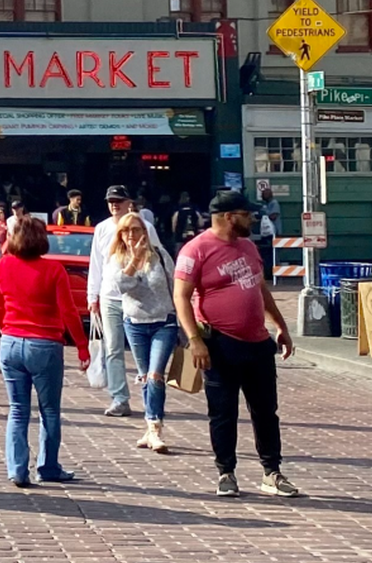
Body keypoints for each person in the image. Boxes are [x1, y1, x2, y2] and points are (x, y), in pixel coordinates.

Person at [174, 190, 298, 498]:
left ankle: (272, 472)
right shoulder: (196, 250)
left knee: (266, 411)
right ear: (229, 217)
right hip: (220, 344)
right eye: (247, 214)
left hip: (257, 343)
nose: (253, 219)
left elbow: (260, 289)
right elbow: (181, 297)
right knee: (223, 412)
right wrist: (194, 340)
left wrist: (280, 325)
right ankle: (226, 472)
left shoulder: (247, 246)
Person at [0, 214, 89, 487]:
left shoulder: (4, 265)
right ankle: (48, 466)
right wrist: (81, 346)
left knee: (18, 409)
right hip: (45, 343)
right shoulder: (54, 270)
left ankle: (17, 469)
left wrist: (4, 327)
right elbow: (69, 312)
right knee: (50, 411)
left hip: (11, 340)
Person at [87, 185, 162, 418]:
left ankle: (150, 397)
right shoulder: (101, 229)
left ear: (129, 202)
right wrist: (93, 296)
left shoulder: (145, 227)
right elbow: (96, 264)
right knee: (112, 348)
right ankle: (120, 397)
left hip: (138, 297)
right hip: (110, 296)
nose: (114, 204)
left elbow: (158, 259)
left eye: (118, 200)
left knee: (143, 352)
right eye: (110, 200)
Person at [107, 213, 179, 453]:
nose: (131, 235)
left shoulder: (159, 255)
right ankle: (150, 427)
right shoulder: (117, 259)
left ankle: (156, 428)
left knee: (155, 375)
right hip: (135, 323)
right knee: (144, 376)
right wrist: (134, 261)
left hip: (163, 321)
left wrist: (186, 321)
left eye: (136, 230)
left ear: (145, 232)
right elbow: (121, 286)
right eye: (126, 231)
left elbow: (175, 285)